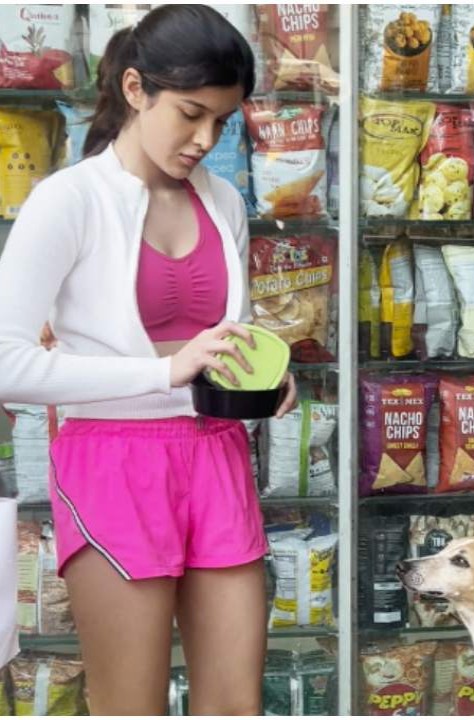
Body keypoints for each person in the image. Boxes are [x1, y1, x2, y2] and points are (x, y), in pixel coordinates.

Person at [0, 5, 297, 714]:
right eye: (191, 114)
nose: (205, 140)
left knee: (235, 703)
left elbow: (225, 333)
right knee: (131, 705)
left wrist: (263, 375)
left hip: (217, 454)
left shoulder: (224, 200)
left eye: (222, 122)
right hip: (112, 462)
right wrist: (163, 373)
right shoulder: (66, 202)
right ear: (136, 89)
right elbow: (6, 361)